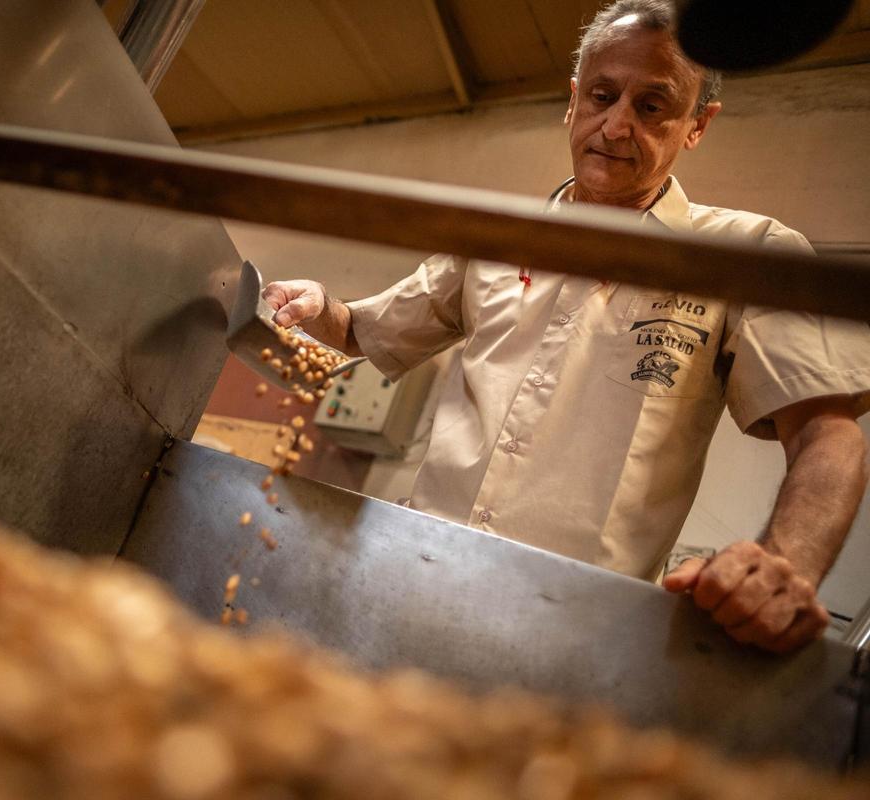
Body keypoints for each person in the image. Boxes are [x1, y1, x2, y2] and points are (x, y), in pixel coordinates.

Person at [263, 0, 870, 654]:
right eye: (603, 96)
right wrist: (320, 305)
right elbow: (362, 331)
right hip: (411, 576)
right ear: (572, 100)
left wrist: (787, 562)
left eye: (652, 106)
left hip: (580, 633)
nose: (615, 125)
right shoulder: (494, 240)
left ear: (697, 125)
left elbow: (826, 433)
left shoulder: (746, 254)